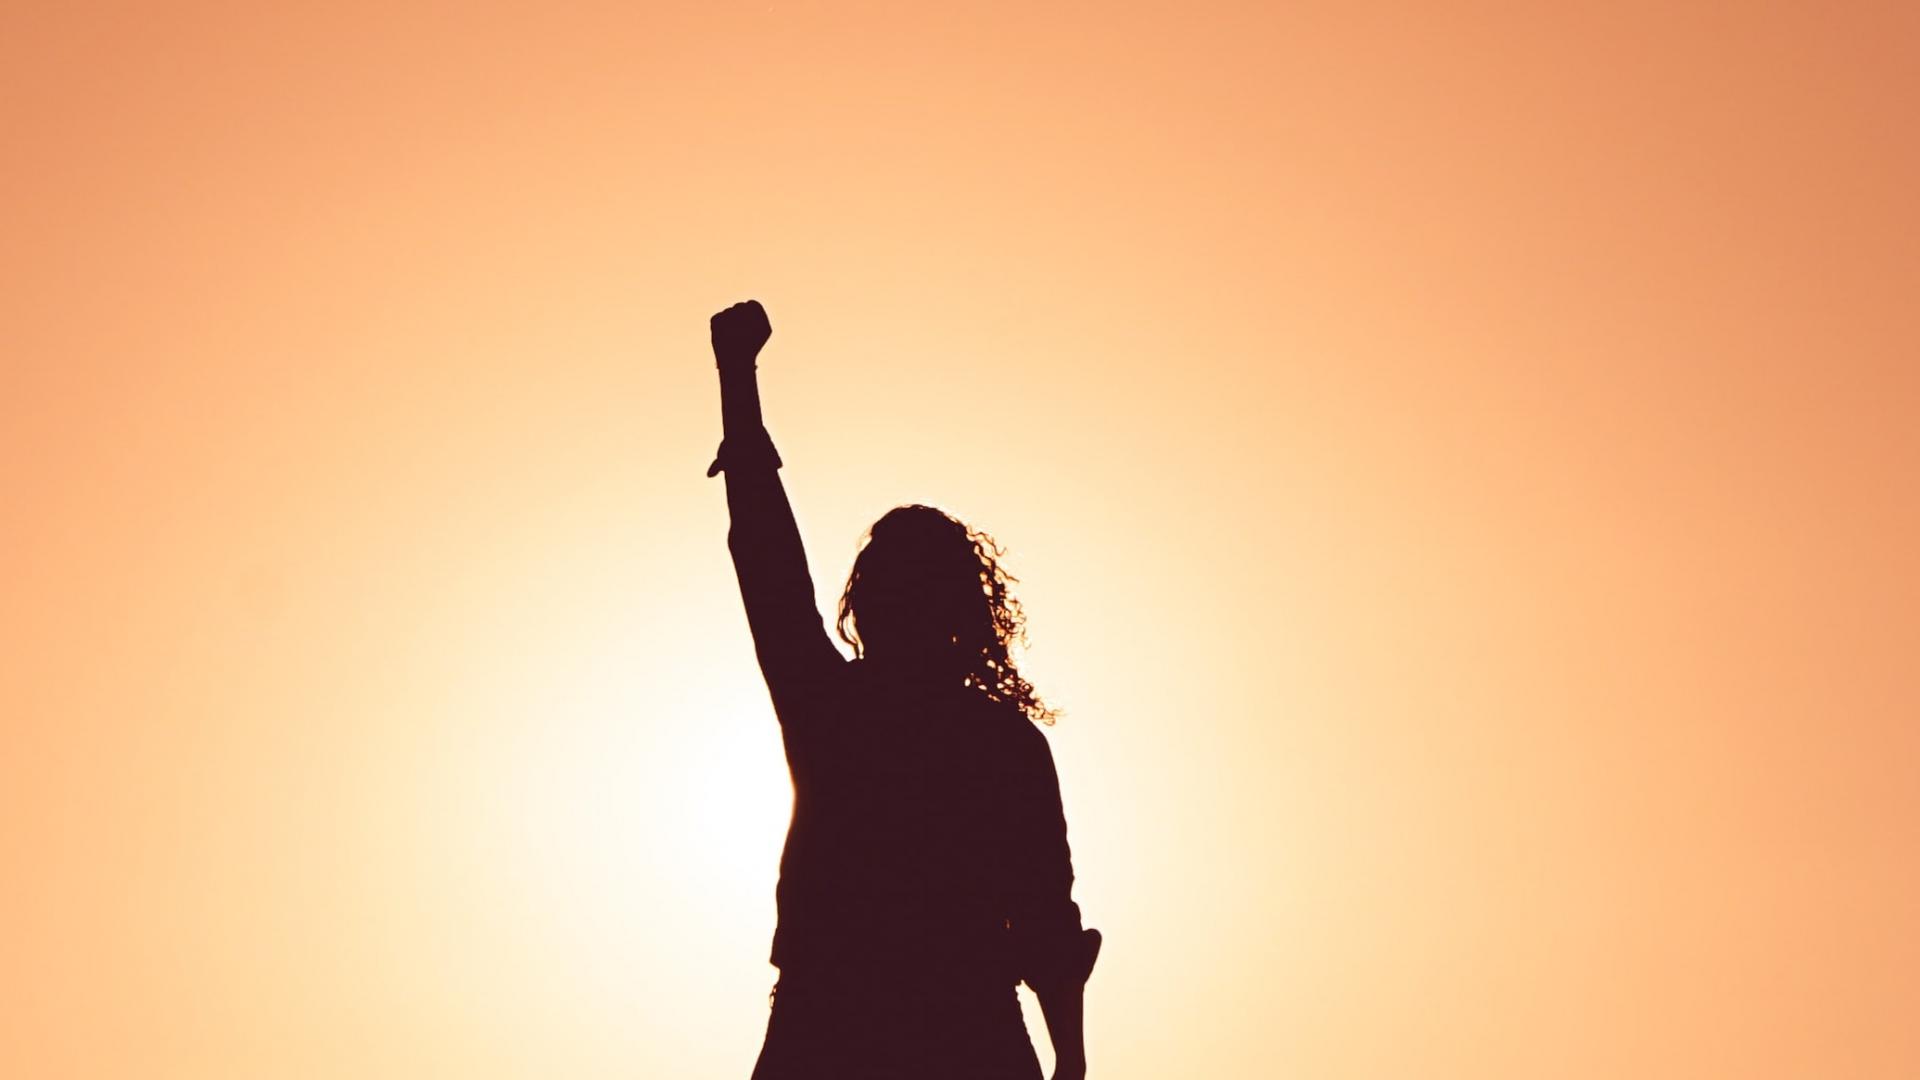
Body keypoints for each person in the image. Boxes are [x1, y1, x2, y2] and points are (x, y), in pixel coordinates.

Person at [706, 299, 1102, 1080]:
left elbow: (768, 562)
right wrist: (1072, 1060)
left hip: (848, 1029)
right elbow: (1048, 926)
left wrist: (737, 379)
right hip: (945, 1031)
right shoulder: (999, 742)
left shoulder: (833, 708)